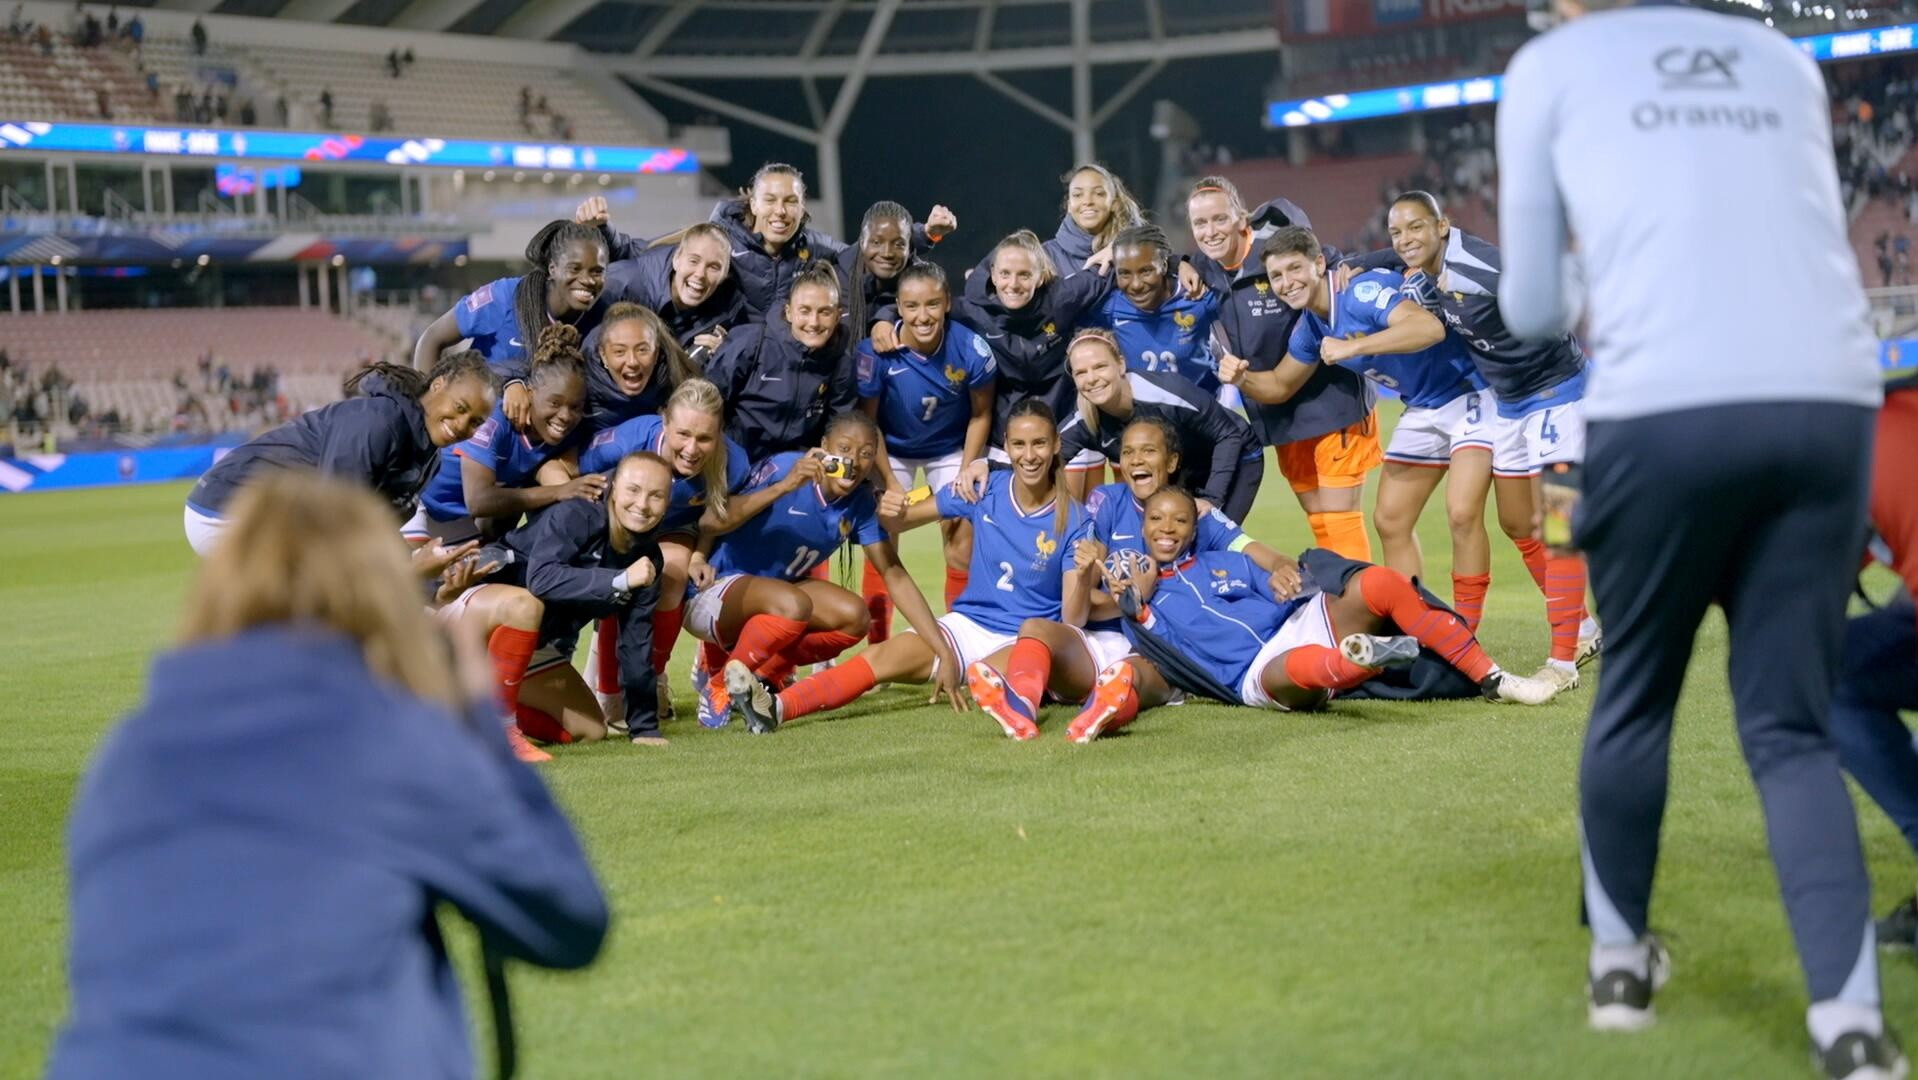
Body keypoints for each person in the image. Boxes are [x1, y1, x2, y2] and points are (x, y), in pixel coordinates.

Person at [1499, 2, 1894, 1070]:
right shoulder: (1781, 58)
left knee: (1635, 695)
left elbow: (1532, 305)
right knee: (1790, 730)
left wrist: (1601, 279)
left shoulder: (1550, 63)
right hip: (1826, 401)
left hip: (1663, 407)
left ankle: (1619, 964)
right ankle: (1851, 1026)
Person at [47, 472, 608, 1079]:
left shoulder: (127, 755)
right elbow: (569, 922)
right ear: (376, 594)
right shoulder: (387, 741)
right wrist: (478, 717)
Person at [1341, 191, 1599, 682]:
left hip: (1558, 397)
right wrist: (1358, 262)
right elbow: (1397, 253)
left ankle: (1563, 660)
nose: (1405, 240)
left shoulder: (1484, 269)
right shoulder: (1426, 269)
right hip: (1508, 405)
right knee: (1517, 522)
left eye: (1416, 228)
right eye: (1396, 233)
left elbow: (1547, 296)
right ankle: (1583, 626)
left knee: (1561, 523)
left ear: (1443, 226)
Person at [1065, 487, 1555, 743]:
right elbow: (1114, 613)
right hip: (1253, 674)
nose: (1167, 528)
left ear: (1196, 528)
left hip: (1296, 622)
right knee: (1301, 667)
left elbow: (1287, 586)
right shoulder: (1142, 597)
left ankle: (1492, 677)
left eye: (1180, 520)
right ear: (1142, 525)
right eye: (1156, 519)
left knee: (1380, 582)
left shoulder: (1225, 561)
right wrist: (1136, 597)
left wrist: (1287, 579)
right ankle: (1363, 660)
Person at [730, 400, 1082, 734]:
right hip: (967, 626)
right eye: (1019, 444)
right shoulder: (983, 490)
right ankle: (775, 708)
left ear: (1055, 446)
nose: (1029, 455)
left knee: (982, 676)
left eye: (1039, 444)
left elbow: (1073, 613)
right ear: (1005, 446)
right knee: (881, 658)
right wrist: (875, 500)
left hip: (1029, 637)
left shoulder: (1077, 518)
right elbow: (902, 520)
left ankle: (1027, 693)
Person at [966, 416, 1299, 739]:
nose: (1137, 460)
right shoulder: (1105, 504)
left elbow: (1249, 547)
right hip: (1104, 637)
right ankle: (1022, 708)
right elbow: (1083, 609)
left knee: (1130, 677)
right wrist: (1128, 599)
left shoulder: (1194, 512)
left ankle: (1100, 715)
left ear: (1172, 462)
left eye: (1149, 451)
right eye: (1128, 452)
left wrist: (1284, 564)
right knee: (1031, 632)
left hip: (1160, 644)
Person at [1221, 225, 1495, 593]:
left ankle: (1476, 630)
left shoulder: (1359, 292)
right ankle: (1411, 623)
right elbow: (1280, 385)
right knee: (1391, 520)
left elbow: (1428, 329)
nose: (1286, 282)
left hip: (1469, 394)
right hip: (1423, 407)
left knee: (1475, 516)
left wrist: (1352, 348)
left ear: (1319, 263)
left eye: (1294, 269)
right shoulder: (1311, 328)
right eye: (1276, 276)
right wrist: (1241, 379)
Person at [685, 412, 950, 728]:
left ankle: (759, 676)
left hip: (775, 598)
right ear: (824, 447)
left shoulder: (860, 504)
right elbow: (710, 521)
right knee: (794, 604)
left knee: (854, 616)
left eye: (866, 454)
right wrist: (784, 486)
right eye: (845, 448)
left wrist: (943, 651)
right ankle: (718, 687)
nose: (854, 460)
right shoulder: (786, 468)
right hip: (714, 591)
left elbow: (893, 573)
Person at [1185, 178, 1381, 562]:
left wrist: (1355, 267)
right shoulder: (1205, 271)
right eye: (1200, 224)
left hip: (1332, 402)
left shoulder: (1276, 253)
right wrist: (1182, 262)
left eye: (1219, 219)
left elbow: (1329, 259)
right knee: (1320, 520)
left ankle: (1363, 615)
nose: (1210, 231)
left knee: (1341, 520)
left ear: (1241, 218)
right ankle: (1339, 607)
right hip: (1279, 414)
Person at [451, 452, 671, 747]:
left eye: (656, 496)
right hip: (480, 621)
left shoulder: (648, 560)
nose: (642, 504)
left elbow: (636, 643)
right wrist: (619, 581)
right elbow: (541, 579)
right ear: (613, 488)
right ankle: (498, 730)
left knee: (590, 730)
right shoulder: (578, 514)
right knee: (526, 604)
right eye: (633, 490)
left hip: (530, 643)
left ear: (668, 503)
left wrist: (644, 729)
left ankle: (470, 713)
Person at [183, 353, 496, 555]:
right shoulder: (380, 421)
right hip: (226, 508)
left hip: (281, 515)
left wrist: (432, 566)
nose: (462, 425)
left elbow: (376, 530)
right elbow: (334, 520)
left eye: (475, 422)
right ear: (438, 385)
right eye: (460, 408)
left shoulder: (428, 456)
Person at [575, 379, 747, 722]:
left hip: (675, 531)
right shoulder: (630, 438)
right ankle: (607, 692)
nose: (691, 448)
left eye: (704, 438)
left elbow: (716, 519)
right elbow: (575, 468)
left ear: (720, 433)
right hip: (620, 526)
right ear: (664, 421)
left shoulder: (734, 465)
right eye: (682, 434)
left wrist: (700, 554)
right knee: (622, 580)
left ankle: (649, 680)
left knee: (672, 572)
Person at [856, 261, 996, 617]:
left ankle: (958, 635)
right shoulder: (875, 353)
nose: (923, 316)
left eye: (932, 304)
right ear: (898, 308)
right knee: (880, 536)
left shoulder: (972, 349)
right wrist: (888, 481)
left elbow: (981, 414)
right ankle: (880, 649)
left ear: (947, 302)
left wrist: (966, 472)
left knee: (960, 533)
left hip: (947, 449)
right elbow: (867, 423)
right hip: (893, 450)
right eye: (912, 306)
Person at [1045, 328, 1263, 523]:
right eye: (1081, 372)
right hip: (1181, 470)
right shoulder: (1083, 421)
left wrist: (1211, 501)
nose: (1091, 379)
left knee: (1212, 542)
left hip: (1235, 452)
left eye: (1100, 367)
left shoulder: (1166, 393)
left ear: (1120, 365)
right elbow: (1044, 462)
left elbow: (1228, 434)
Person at [408, 326, 597, 546]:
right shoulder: (496, 418)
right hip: (420, 507)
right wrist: (558, 491)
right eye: (554, 403)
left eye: (575, 407)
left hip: (461, 524)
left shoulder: (568, 433)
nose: (565, 416)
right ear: (529, 393)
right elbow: (478, 500)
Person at [704, 261, 858, 461]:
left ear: (838, 316)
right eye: (805, 311)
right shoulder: (751, 343)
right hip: (732, 455)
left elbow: (839, 428)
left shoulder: (841, 363)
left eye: (825, 312)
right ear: (788, 313)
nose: (814, 322)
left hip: (794, 463)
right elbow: (706, 400)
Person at [414, 220, 607, 373]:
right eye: (575, 268)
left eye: (597, 272)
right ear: (553, 269)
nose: (587, 280)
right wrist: (425, 412)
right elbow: (431, 339)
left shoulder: (597, 318)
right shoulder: (505, 297)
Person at [1078, 223, 1224, 393]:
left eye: (1146, 271)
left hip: (1203, 409)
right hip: (1143, 414)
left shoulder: (1197, 295)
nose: (1136, 284)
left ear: (1164, 265)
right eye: (1124, 273)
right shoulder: (1108, 307)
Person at [590, 221, 744, 354]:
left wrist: (722, 357)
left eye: (713, 267)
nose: (700, 274)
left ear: (725, 275)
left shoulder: (728, 312)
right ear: (676, 260)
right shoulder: (621, 285)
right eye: (693, 261)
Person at [1039, 163, 1145, 278]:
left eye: (1098, 194)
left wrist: (1122, 251)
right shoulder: (1046, 256)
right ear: (1069, 205)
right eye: (1078, 195)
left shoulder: (1140, 248)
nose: (1087, 201)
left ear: (1115, 204)